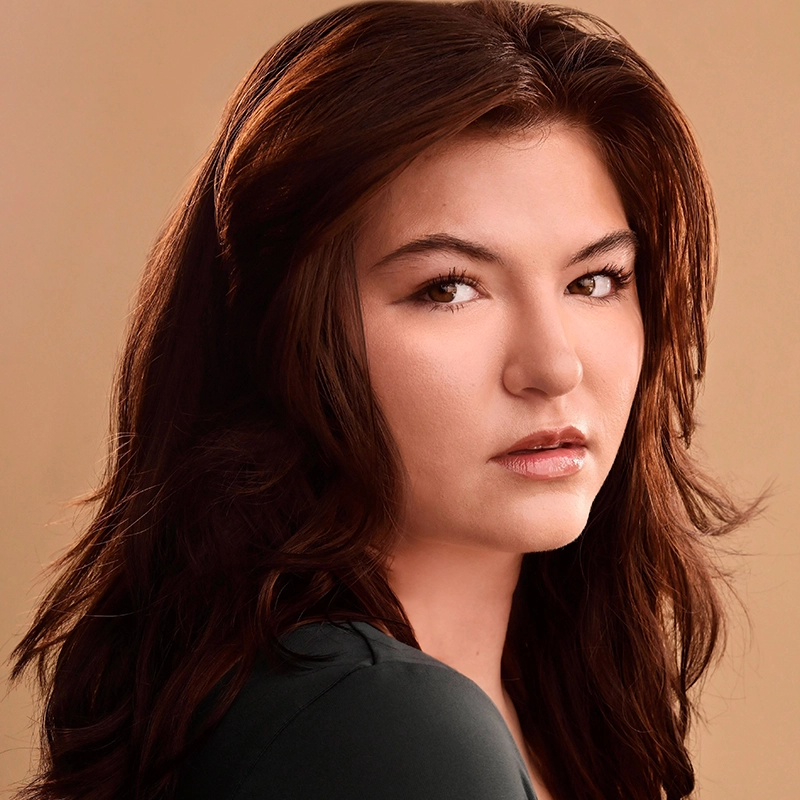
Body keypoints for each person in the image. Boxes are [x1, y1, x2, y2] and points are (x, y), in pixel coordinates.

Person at [10, 1, 764, 799]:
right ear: (289, 334)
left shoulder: (535, 706)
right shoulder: (383, 727)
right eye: (449, 289)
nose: (553, 365)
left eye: (595, 281)